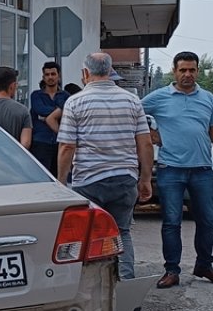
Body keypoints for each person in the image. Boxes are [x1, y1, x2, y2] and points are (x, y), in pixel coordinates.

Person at [57, 52, 154, 280]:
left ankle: (91, 288)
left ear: (85, 73)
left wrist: (60, 182)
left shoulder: (75, 101)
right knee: (122, 233)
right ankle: (125, 287)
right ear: (111, 72)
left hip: (88, 182)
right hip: (124, 179)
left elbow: (66, 147)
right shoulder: (132, 101)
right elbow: (145, 143)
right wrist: (145, 178)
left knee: (88, 236)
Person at [141, 51, 213, 289]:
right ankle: (172, 270)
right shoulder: (159, 97)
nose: (187, 74)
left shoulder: (208, 98)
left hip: (202, 170)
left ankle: (204, 265)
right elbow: (133, 113)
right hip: (170, 169)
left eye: (192, 70)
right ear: (175, 71)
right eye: (183, 70)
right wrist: (150, 133)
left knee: (208, 221)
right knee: (171, 222)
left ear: (198, 71)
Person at [30, 62, 70, 176]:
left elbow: (68, 112)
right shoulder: (36, 95)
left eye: (53, 74)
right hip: (40, 142)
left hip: (60, 143)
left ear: (59, 76)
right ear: (43, 77)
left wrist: (47, 117)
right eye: (47, 75)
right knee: (42, 177)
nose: (50, 77)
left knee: (60, 177)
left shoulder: (66, 96)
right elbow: (40, 109)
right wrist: (59, 111)